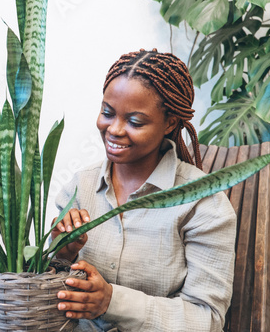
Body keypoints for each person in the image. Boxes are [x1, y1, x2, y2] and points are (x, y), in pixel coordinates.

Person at [51, 49, 237, 332]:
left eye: (135, 122)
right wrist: (61, 255)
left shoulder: (204, 204)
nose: (114, 129)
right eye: (107, 113)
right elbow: (40, 292)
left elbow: (207, 319)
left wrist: (112, 302)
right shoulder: (80, 186)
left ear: (171, 123)